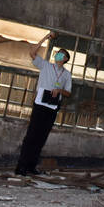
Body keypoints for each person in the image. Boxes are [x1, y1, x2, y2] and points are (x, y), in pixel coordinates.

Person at [15, 33, 72, 176]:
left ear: (65, 59)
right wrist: (46, 37)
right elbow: (32, 52)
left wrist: (59, 90)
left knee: (41, 138)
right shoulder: (45, 65)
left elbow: (68, 93)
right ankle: (21, 167)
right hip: (40, 104)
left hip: (52, 107)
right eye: (57, 53)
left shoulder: (66, 75)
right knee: (31, 136)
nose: (58, 55)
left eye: (61, 55)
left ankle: (31, 167)